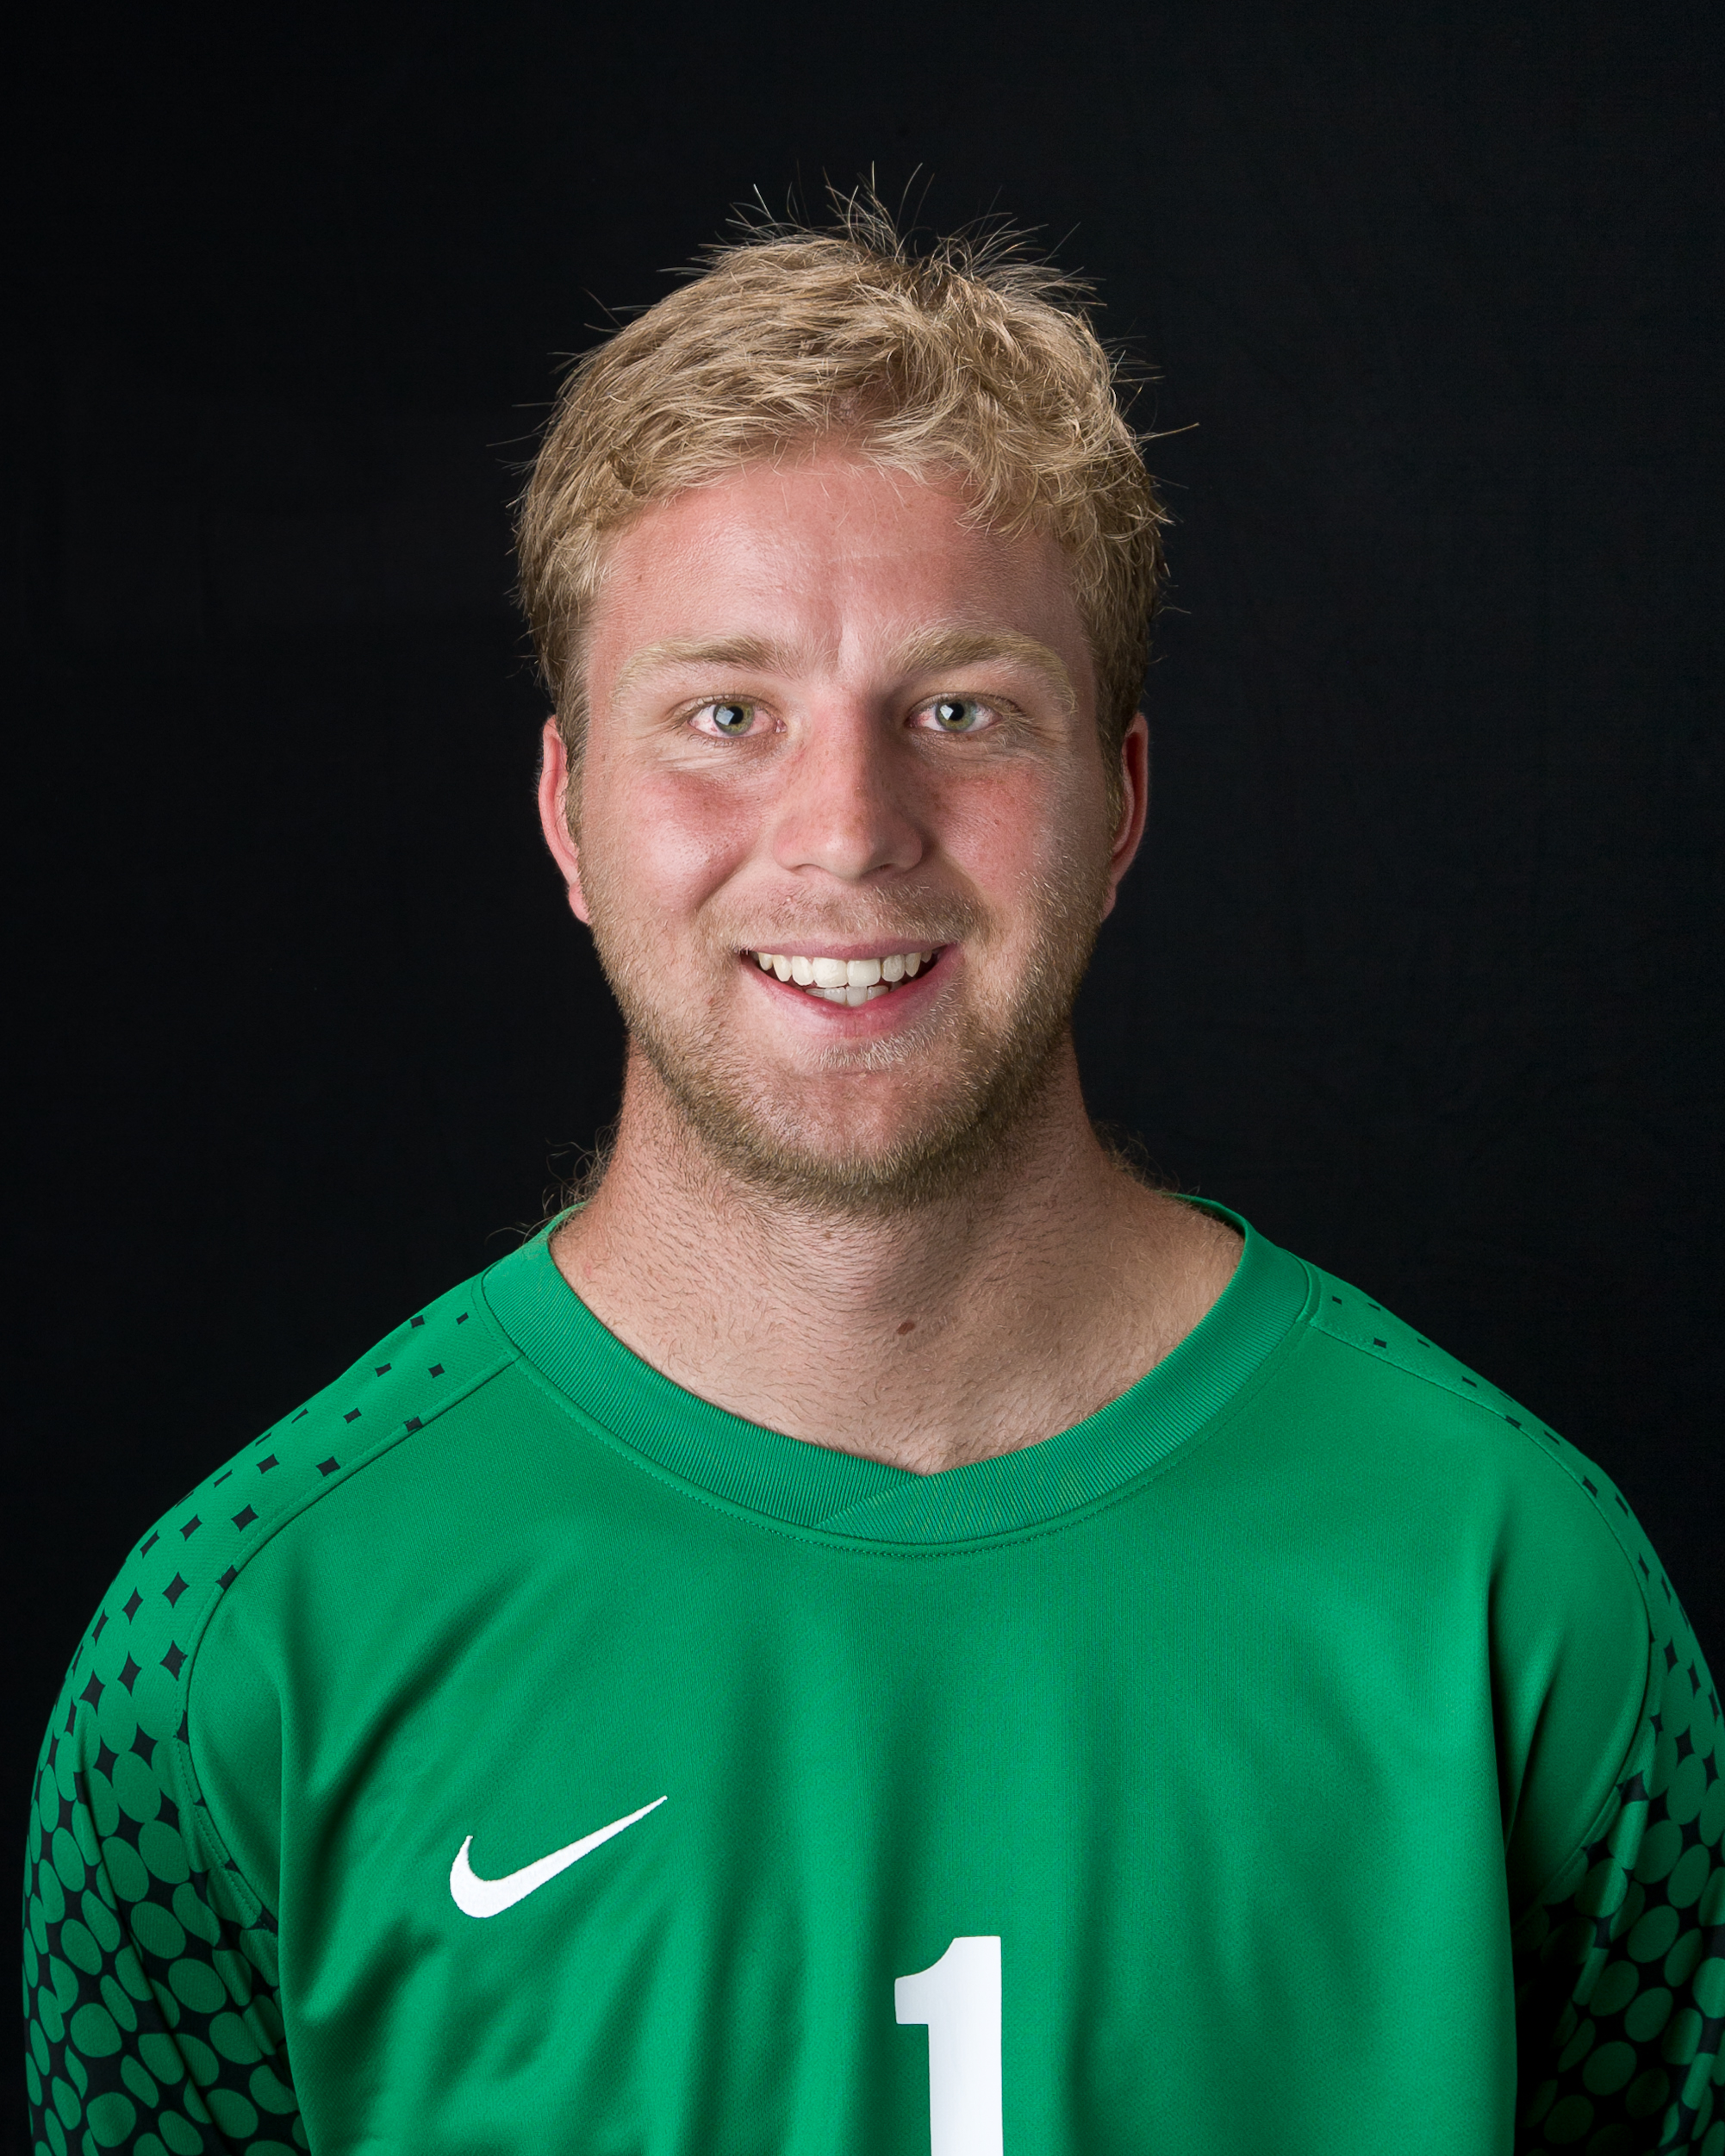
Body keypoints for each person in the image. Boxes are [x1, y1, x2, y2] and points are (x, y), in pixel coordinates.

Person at [23, 201, 1722, 2156]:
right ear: (570, 813)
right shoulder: (243, 1642)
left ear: (1119, 804)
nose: (845, 833)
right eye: (723, 716)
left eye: (962, 713)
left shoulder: (1511, 1589)